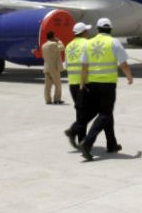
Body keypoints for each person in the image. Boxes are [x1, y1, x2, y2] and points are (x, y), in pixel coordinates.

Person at [77, 18, 133, 161]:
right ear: (110, 29)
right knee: (105, 113)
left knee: (107, 114)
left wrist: (82, 84)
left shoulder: (88, 43)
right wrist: (129, 77)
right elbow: (124, 64)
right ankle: (87, 143)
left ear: (98, 29)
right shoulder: (114, 42)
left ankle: (112, 144)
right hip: (107, 84)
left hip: (93, 84)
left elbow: (84, 67)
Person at [62, 22, 92, 148]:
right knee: (91, 111)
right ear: (83, 32)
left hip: (72, 83)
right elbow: (90, 64)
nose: (88, 32)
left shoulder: (69, 46)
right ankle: (73, 130)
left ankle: (81, 140)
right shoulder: (87, 44)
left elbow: (66, 65)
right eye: (87, 30)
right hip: (85, 83)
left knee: (80, 112)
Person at [41, 31, 65, 105]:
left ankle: (48, 100)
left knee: (47, 86)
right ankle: (57, 99)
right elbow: (62, 48)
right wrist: (59, 41)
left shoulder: (44, 45)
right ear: (53, 37)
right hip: (54, 68)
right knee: (58, 85)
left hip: (47, 67)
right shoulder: (54, 44)